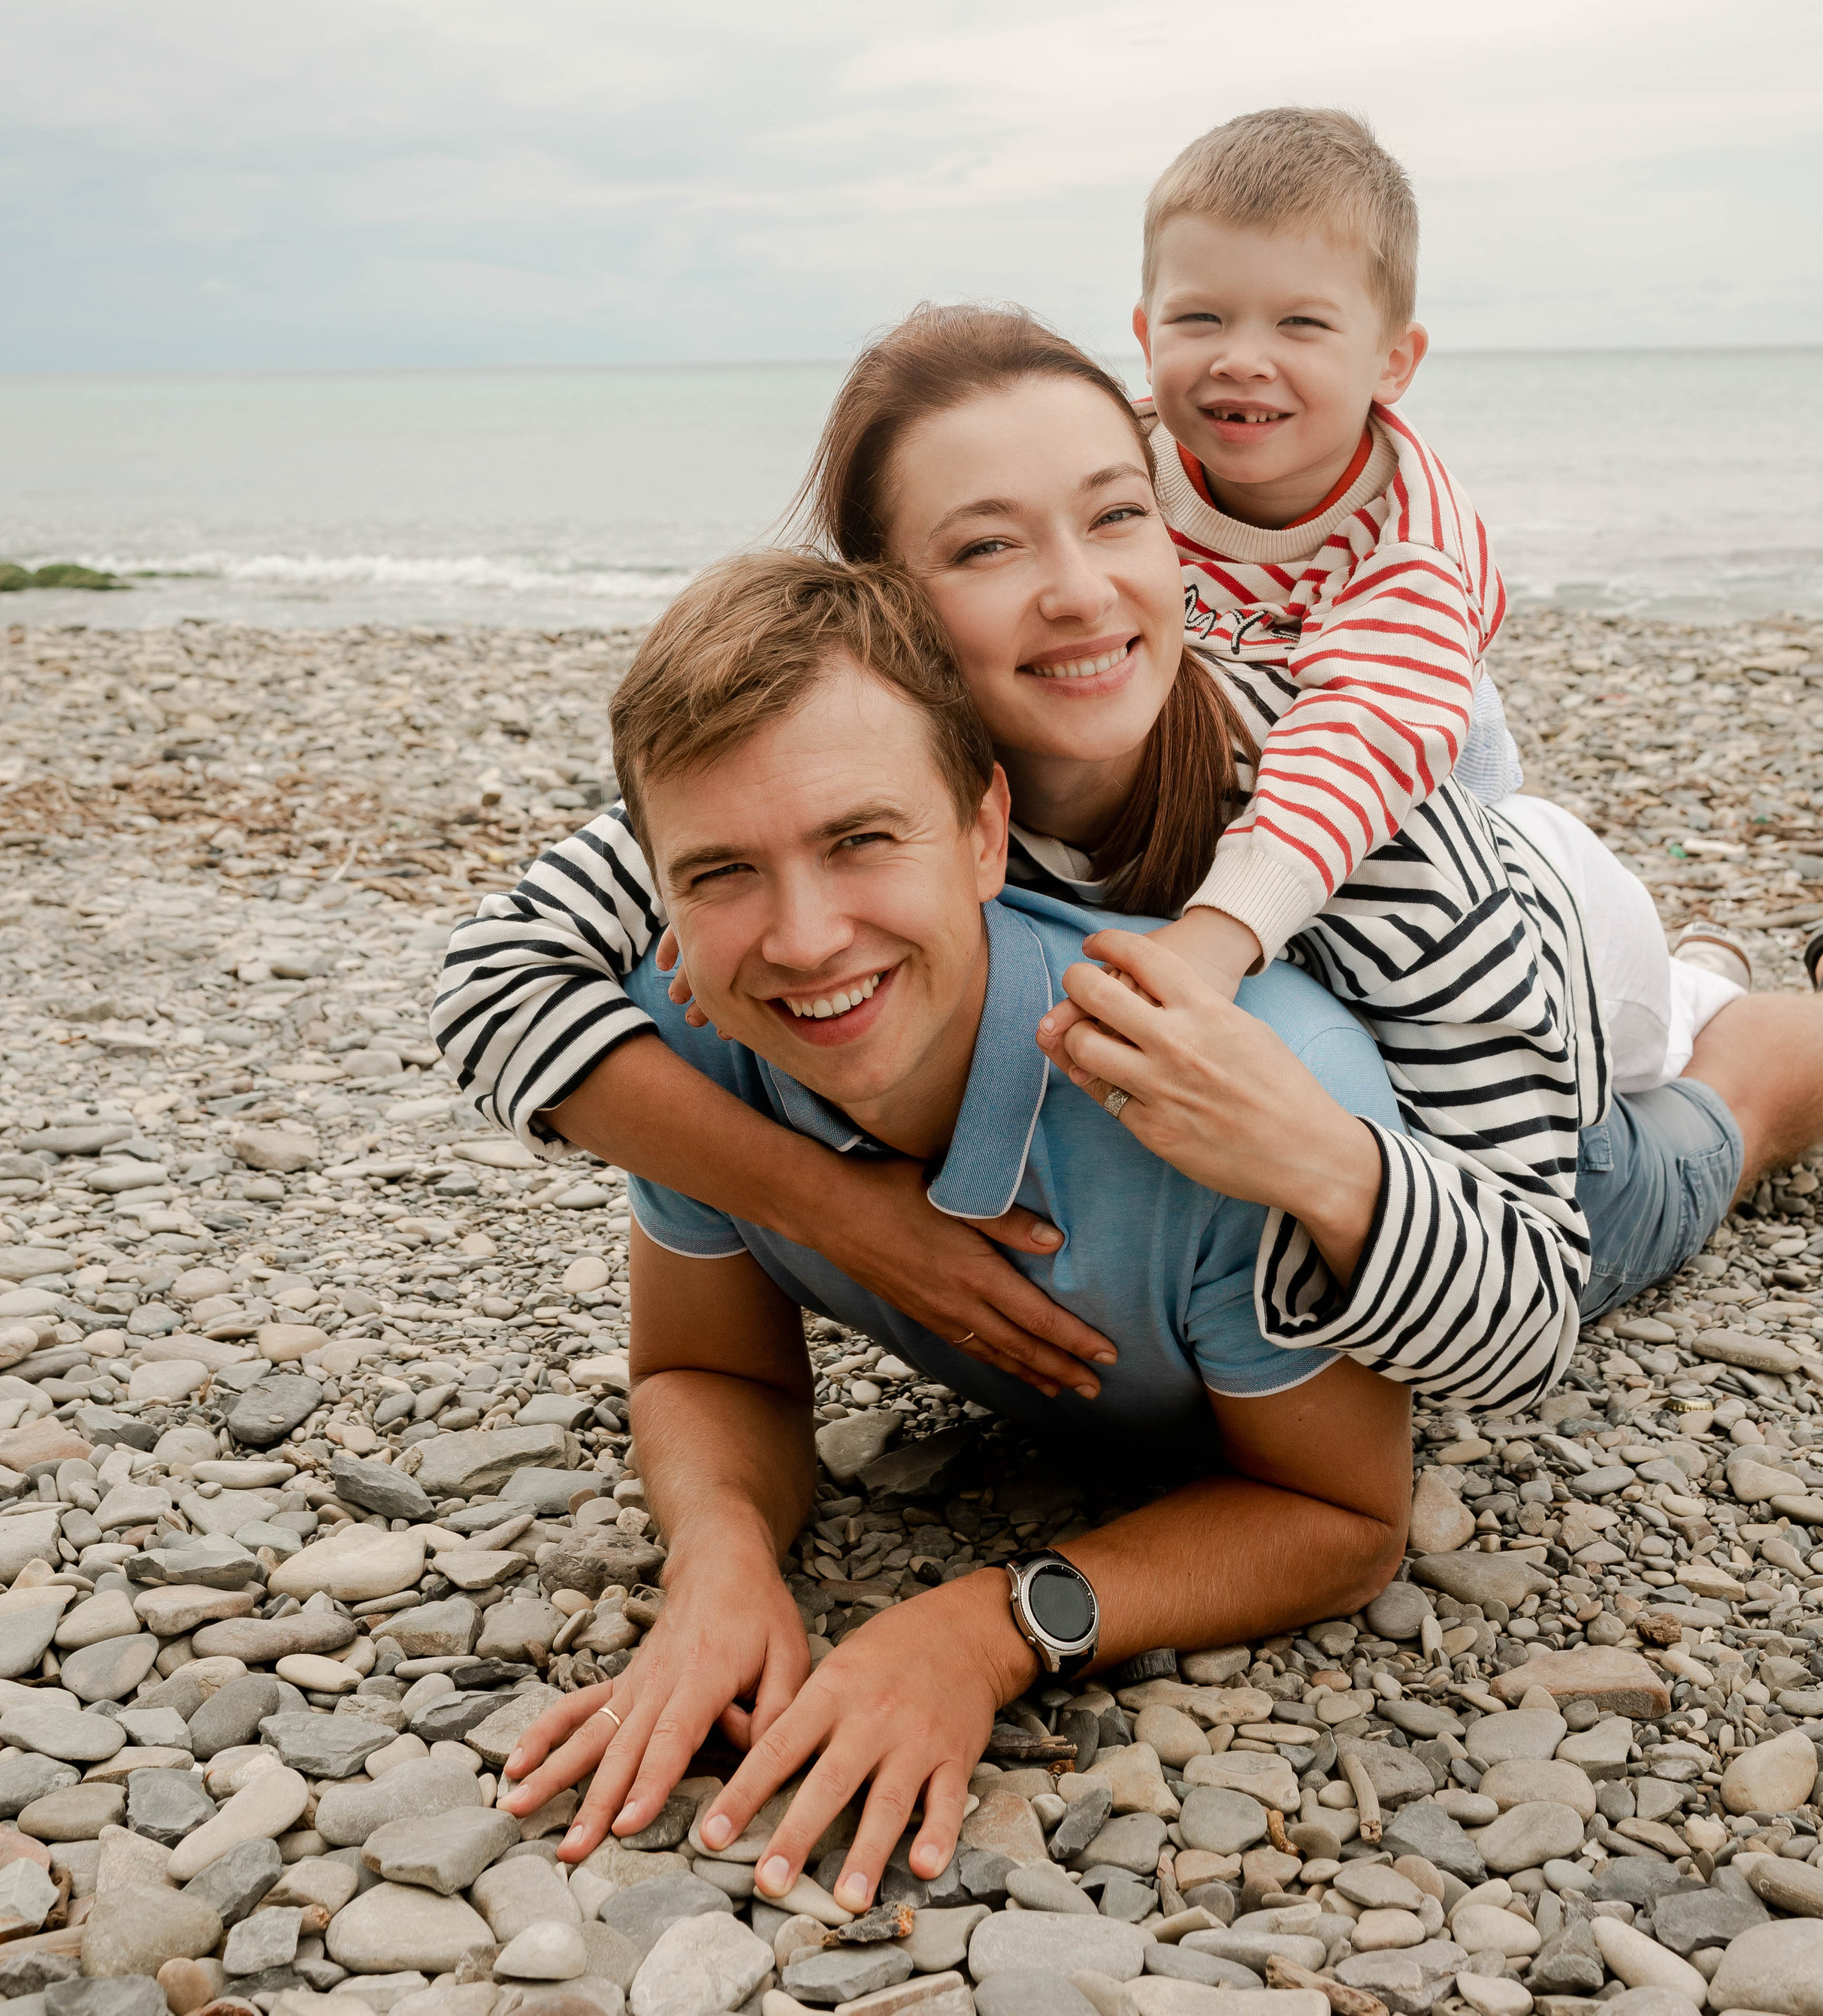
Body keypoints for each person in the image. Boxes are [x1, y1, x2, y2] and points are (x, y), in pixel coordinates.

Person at [434, 307, 1823, 1387]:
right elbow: (492, 981)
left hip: (1532, 981)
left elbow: (1521, 1319)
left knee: (1691, 1138)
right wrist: (844, 1216)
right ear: (884, 610)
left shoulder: (1352, 819)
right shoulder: (841, 800)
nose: (1079, 595)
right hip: (1448, 979)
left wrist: (1321, 1164)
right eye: (985, 546)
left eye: (1114, 519)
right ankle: (1712, 965)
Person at [493, 552, 1413, 1892]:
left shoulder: (1229, 1098)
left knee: (1704, 1139)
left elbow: (1346, 1514)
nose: (802, 941)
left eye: (861, 841)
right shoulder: (685, 1045)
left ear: (986, 834)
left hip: (1544, 1166)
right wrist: (721, 1557)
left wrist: (989, 1633)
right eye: (723, 873)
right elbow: (709, 1368)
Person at [1128, 106, 1526, 993]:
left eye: (1300, 325)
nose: (1242, 359)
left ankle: (1703, 983)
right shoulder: (1117, 462)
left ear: (1392, 360)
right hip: (1226, 740)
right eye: (1199, 318)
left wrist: (1221, 931)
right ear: (1145, 334)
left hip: (1423, 771)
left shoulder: (1409, 540)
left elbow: (1361, 732)